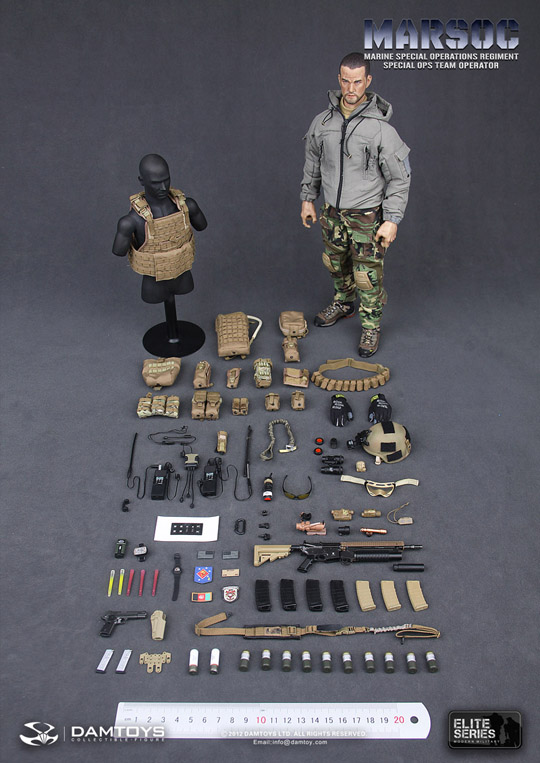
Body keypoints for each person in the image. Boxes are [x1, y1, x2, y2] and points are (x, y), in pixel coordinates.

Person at [301, 52, 411, 356]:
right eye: (346, 81)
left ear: (368, 81)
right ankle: (343, 302)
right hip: (332, 213)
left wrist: (392, 219)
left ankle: (371, 326)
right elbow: (312, 163)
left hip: (366, 216)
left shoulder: (381, 130)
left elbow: (400, 178)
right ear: (339, 79)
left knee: (367, 276)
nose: (351, 89)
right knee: (335, 263)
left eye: (358, 82)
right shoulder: (323, 122)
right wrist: (308, 199)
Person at [113, 154, 207, 303]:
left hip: (183, 276)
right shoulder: (131, 221)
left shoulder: (187, 206)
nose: (163, 187)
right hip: (154, 285)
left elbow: (202, 226)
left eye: (166, 180)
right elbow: (119, 251)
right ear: (142, 181)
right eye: (156, 183)